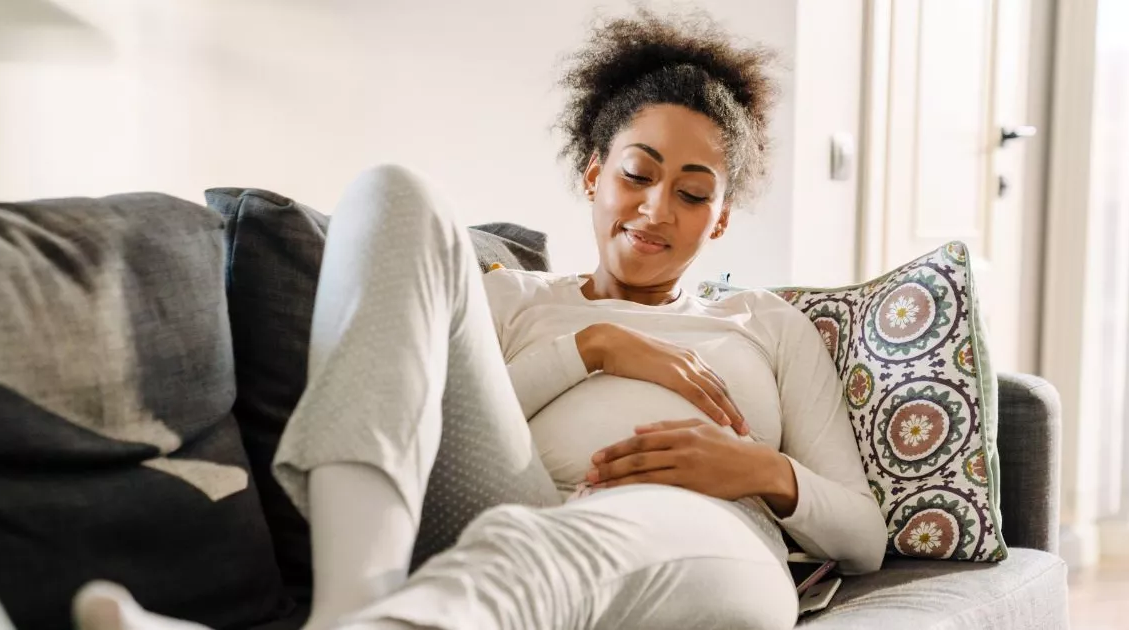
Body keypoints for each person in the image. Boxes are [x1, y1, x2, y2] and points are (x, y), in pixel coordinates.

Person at [73, 9, 886, 630]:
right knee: (394, 190)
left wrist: (756, 471)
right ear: (595, 177)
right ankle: (355, 603)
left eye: (693, 192)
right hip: (518, 496)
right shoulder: (511, 298)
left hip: (711, 536)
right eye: (637, 174)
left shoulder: (765, 324)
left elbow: (862, 535)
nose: (655, 208)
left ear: (721, 221)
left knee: (546, 550)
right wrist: (593, 347)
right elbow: (427, 425)